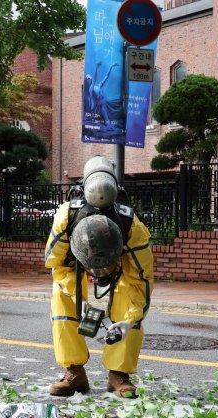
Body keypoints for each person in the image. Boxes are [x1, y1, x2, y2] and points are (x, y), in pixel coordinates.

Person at [44, 156, 154, 398]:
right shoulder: (67, 217)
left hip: (121, 267)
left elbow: (141, 280)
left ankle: (119, 374)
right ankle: (74, 372)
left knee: (128, 298)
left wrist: (129, 321)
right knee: (60, 300)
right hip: (74, 266)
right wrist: (79, 298)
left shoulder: (131, 227)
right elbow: (57, 264)